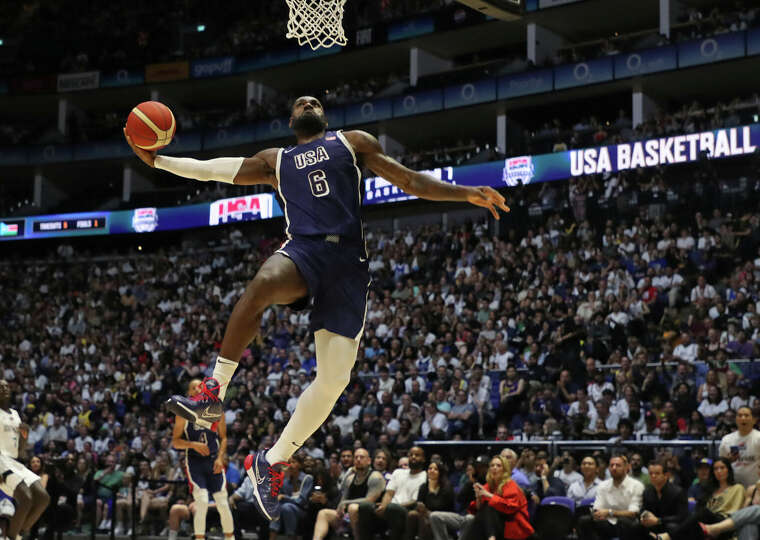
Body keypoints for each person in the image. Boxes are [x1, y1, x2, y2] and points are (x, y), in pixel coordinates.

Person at [128, 96, 510, 520]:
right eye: (299, 102)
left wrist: (465, 193)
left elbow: (410, 182)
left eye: (315, 101)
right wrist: (160, 162)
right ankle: (213, 394)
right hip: (305, 250)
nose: (308, 101)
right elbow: (216, 168)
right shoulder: (276, 160)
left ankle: (270, 463)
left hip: (347, 266)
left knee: (332, 383)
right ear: (291, 119)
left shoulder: (352, 142)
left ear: (323, 117)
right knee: (263, 283)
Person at [0, 380, 50, 540]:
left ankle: (19, 533)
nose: (4, 388)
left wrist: (25, 437)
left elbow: (20, 451)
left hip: (12, 461)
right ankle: (12, 537)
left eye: (7, 386)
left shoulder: (15, 415)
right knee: (26, 498)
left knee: (43, 498)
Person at [172, 379, 235, 540]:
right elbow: (175, 442)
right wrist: (192, 444)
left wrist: (221, 458)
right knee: (202, 501)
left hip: (214, 460)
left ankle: (230, 537)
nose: (198, 389)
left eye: (201, 386)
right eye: (194, 387)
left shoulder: (217, 409)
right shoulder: (182, 414)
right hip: (194, 462)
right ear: (190, 394)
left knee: (222, 501)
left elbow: (224, 438)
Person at [651, 457, 744, 540]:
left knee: (703, 512)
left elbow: (736, 512)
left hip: (724, 523)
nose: (719, 471)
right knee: (679, 524)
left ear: (729, 470)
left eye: (722, 468)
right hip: (707, 522)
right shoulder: (710, 490)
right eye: (716, 469)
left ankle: (668, 536)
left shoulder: (737, 488)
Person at [312, 448, 385, 540]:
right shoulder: (350, 479)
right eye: (356, 457)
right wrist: (341, 507)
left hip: (370, 516)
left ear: (369, 461)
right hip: (349, 516)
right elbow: (343, 499)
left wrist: (346, 503)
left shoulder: (375, 476)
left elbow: (369, 500)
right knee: (323, 513)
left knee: (352, 508)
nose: (358, 459)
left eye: (362, 457)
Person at [357, 446, 427, 540]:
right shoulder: (398, 472)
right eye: (411, 455)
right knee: (364, 506)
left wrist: (389, 507)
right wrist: (383, 506)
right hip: (389, 508)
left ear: (423, 459)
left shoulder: (425, 476)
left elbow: (414, 501)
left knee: (393, 508)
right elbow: (389, 493)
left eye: (417, 455)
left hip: (406, 510)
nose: (413, 457)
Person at [463, 455, 533, 540]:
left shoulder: (511, 485)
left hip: (513, 524)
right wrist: (479, 497)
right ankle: (491, 537)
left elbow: (510, 508)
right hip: (494, 525)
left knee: (489, 506)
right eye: (492, 465)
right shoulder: (488, 485)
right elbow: (478, 509)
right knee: (477, 515)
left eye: (498, 465)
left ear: (504, 470)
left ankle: (491, 537)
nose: (494, 468)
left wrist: (489, 495)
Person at [575, 454, 644, 540]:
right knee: (584, 521)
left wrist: (610, 512)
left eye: (618, 465)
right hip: (607, 523)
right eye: (612, 465)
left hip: (628, 524)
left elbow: (633, 513)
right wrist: (598, 514)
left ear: (627, 468)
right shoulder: (603, 485)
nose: (614, 468)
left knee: (623, 521)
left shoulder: (636, 485)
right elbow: (597, 508)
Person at [638, 461, 686, 539]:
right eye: (650, 473)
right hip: (652, 525)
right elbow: (643, 510)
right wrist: (643, 517)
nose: (653, 476)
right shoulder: (647, 491)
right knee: (635, 525)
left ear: (666, 475)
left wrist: (659, 520)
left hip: (669, 526)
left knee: (673, 527)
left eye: (657, 473)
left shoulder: (678, 492)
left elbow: (681, 517)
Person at [412, 461, 455, 540]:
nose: (432, 470)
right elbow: (419, 503)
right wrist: (420, 507)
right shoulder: (424, 486)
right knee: (412, 514)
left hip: (442, 517)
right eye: (430, 468)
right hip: (426, 514)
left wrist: (431, 491)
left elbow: (438, 506)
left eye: (435, 469)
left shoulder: (447, 487)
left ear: (440, 472)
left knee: (427, 520)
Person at [719, 406, 760, 486]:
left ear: (754, 420)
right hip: (733, 487)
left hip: (756, 488)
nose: (743, 418)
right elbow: (720, 464)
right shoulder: (726, 439)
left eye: (746, 415)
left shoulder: (758, 438)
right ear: (736, 420)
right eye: (740, 415)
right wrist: (728, 460)